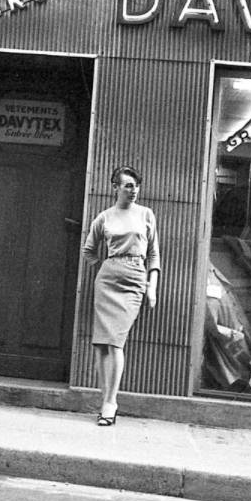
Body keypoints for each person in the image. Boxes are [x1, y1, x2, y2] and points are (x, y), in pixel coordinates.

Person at [81, 165, 160, 426]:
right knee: (102, 343)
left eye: (136, 185)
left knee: (116, 341)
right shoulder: (104, 217)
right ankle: (105, 400)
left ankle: (111, 402)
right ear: (115, 187)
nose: (133, 190)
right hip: (108, 278)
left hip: (135, 277)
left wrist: (152, 286)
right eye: (127, 185)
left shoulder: (146, 214)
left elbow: (153, 254)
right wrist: (104, 266)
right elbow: (89, 249)